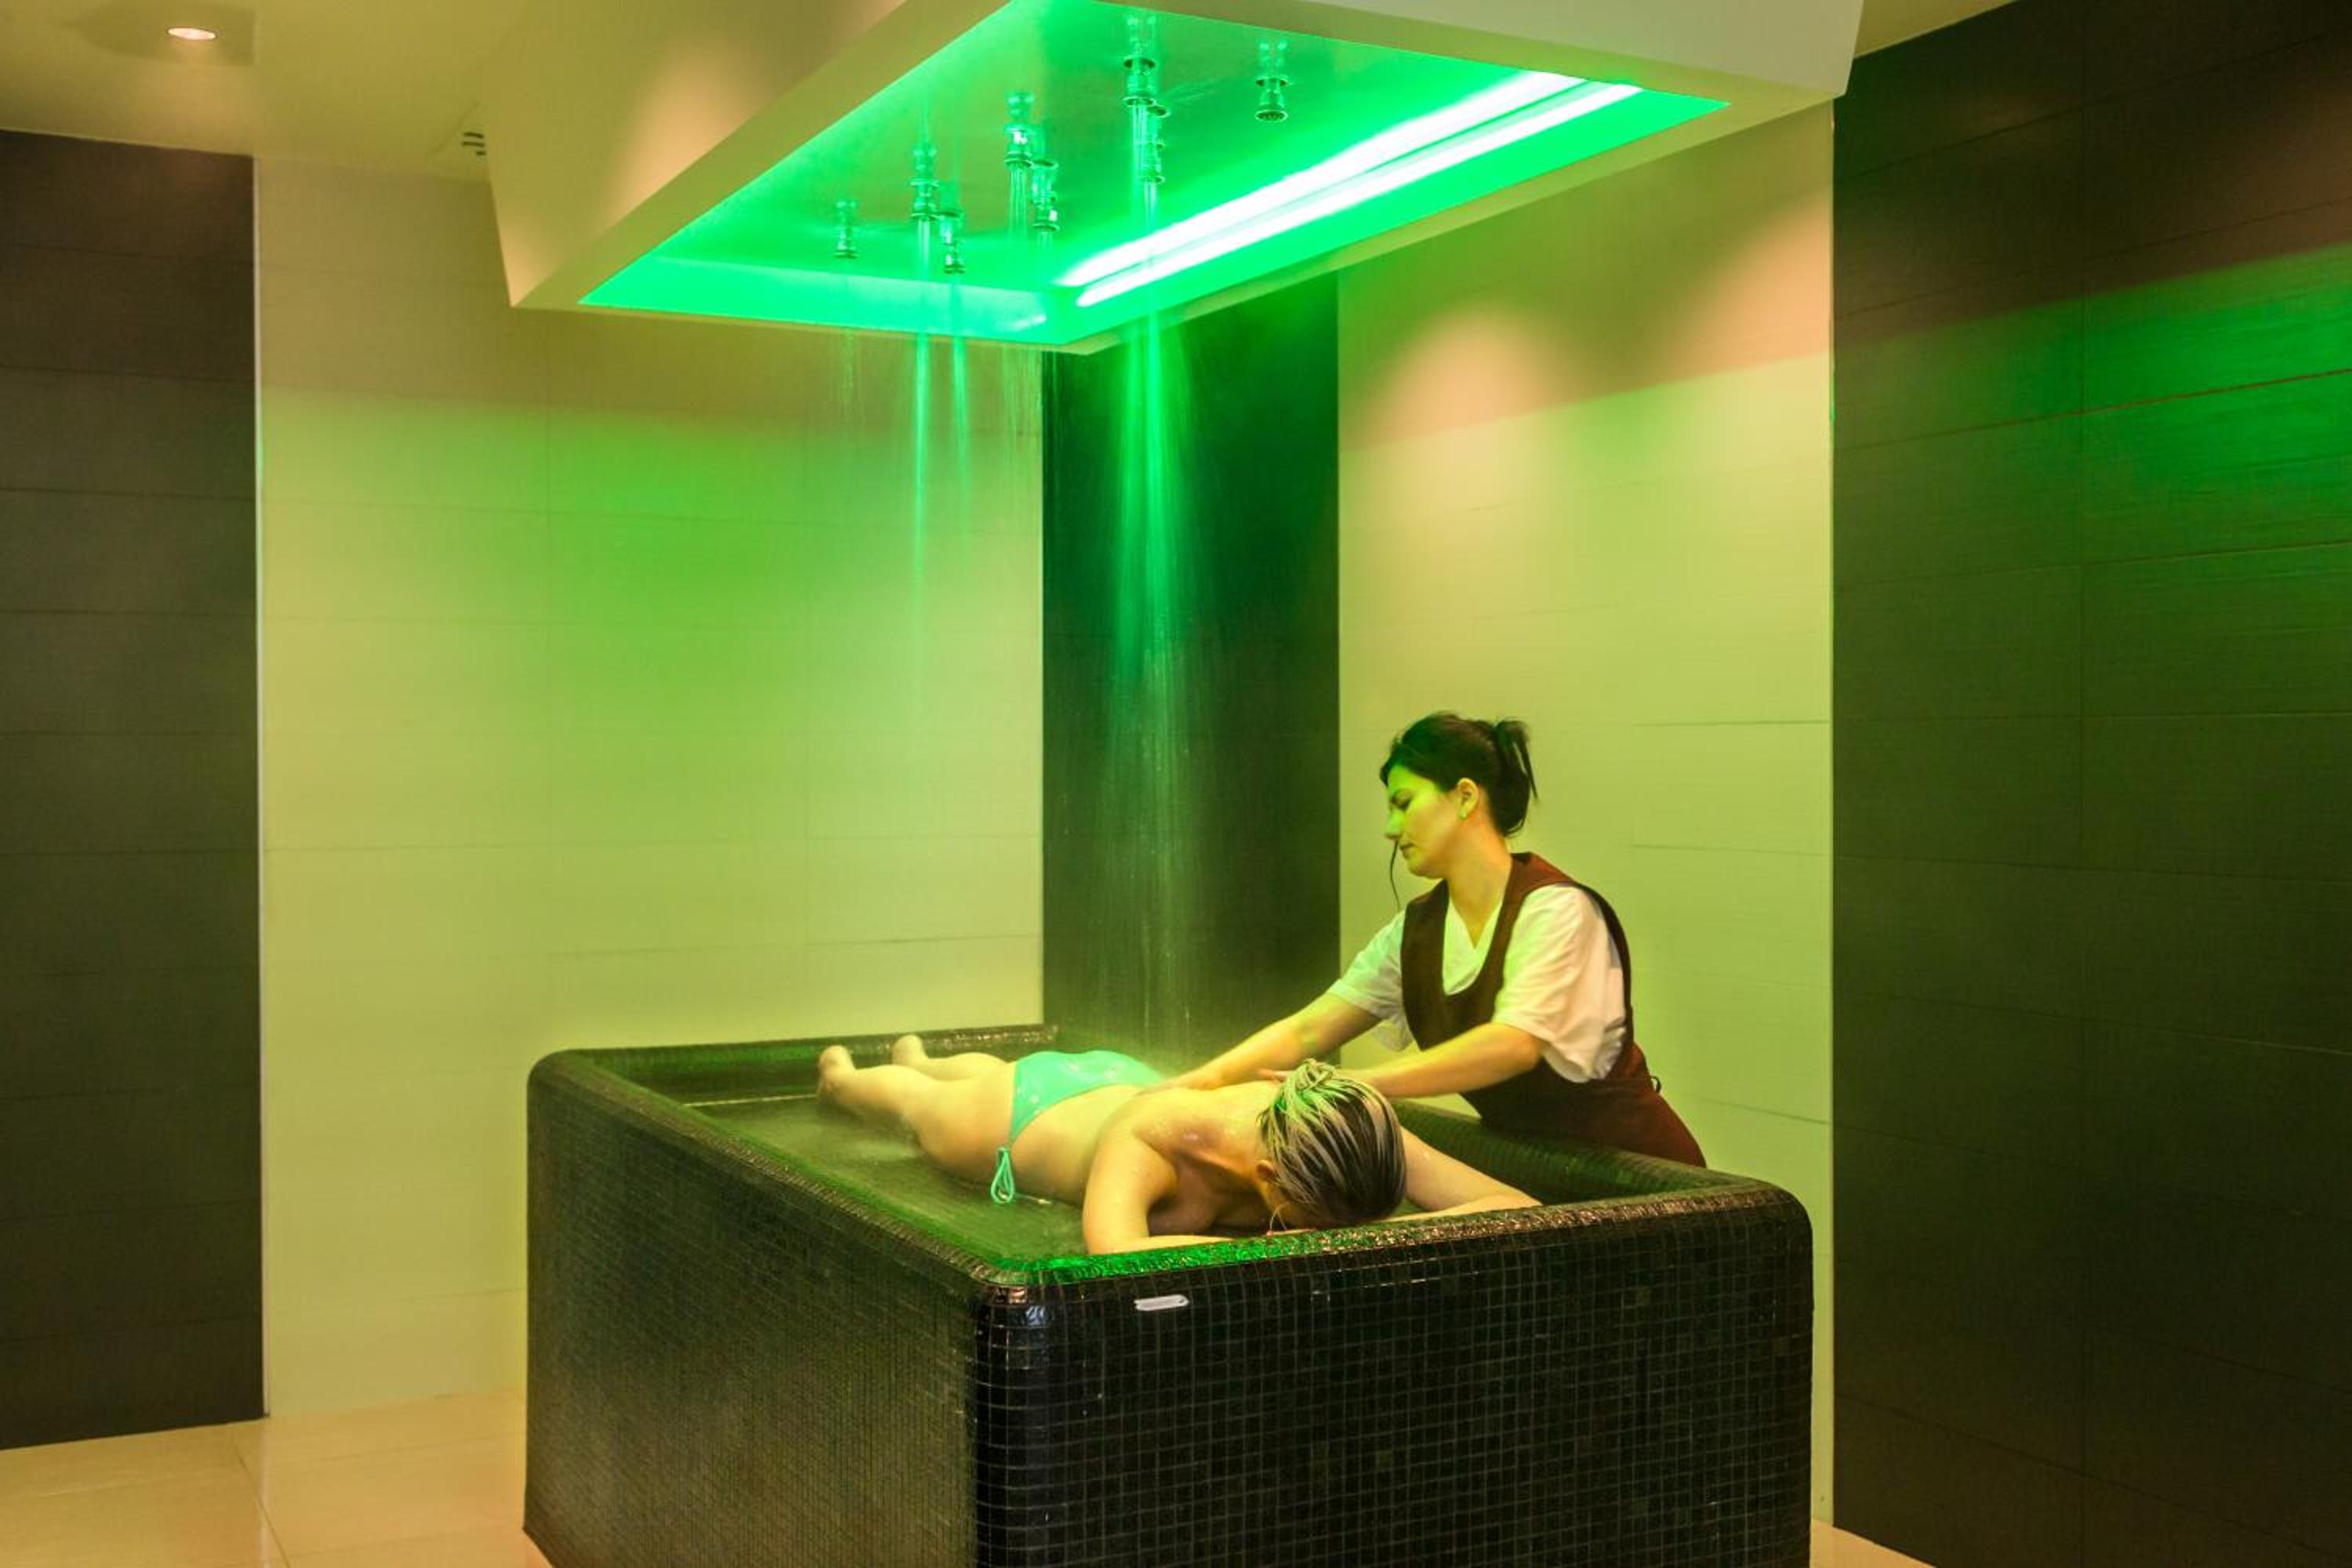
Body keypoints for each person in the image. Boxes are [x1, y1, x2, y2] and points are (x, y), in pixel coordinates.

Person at [1167, 712, 1704, 1165]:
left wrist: (1358, 1085)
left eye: (1403, 803)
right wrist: (1198, 1083)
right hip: (1534, 1167)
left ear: (1465, 797)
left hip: (1642, 1174)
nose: (1390, 828)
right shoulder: (1416, 931)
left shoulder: (1557, 910)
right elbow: (1309, 1029)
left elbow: (1513, 1044)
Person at [815, 1035, 1535, 1254]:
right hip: (1025, 1117)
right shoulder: (1158, 1140)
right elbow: (1114, 1251)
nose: (1339, 1236)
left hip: (1122, 1077)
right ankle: (849, 1074)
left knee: (982, 1071)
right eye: (1322, 1224)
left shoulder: (1345, 1128)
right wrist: (1285, 1250)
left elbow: (1516, 1206)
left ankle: (925, 1056)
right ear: (1267, 1176)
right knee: (921, 1106)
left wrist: (1363, 1233)